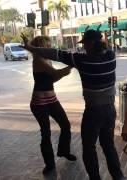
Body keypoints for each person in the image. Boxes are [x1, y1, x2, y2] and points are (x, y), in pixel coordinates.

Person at [21, 30, 125, 180]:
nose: (84, 47)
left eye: (85, 44)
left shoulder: (81, 60)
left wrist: (30, 48)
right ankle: (119, 176)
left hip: (93, 112)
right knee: (108, 145)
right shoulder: (111, 56)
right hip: (110, 110)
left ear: (90, 43)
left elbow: (55, 53)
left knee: (89, 148)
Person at [28, 36, 76, 175]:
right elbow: (56, 73)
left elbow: (53, 78)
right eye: (47, 44)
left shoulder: (46, 59)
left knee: (65, 125)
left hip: (52, 99)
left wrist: (65, 71)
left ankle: (63, 151)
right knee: (46, 132)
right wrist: (73, 64)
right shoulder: (39, 60)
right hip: (39, 103)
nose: (50, 45)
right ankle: (49, 164)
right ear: (41, 46)